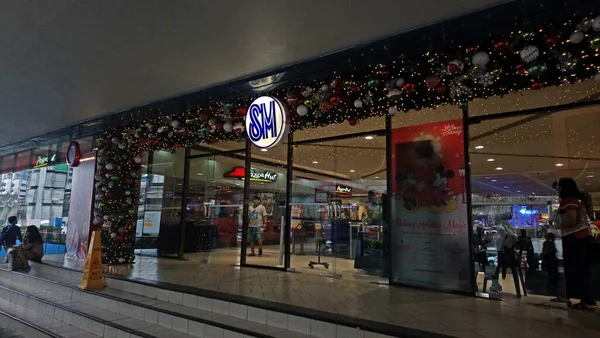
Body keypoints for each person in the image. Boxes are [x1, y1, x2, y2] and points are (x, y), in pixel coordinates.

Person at [555, 177, 596, 310]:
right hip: (580, 238)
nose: (557, 190)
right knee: (581, 270)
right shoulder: (576, 201)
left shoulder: (570, 202)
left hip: (575, 238)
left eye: (559, 187)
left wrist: (557, 225)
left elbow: (572, 220)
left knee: (577, 269)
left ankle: (585, 299)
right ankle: (585, 299)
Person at [542, 232, 560, 300]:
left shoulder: (547, 243)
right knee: (552, 273)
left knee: (551, 273)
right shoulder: (550, 244)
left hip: (550, 260)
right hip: (551, 259)